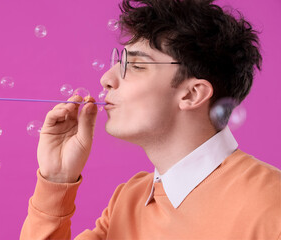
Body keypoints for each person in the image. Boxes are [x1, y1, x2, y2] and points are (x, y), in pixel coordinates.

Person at [20, 0, 281, 239]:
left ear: (192, 93)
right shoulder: (129, 200)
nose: (107, 79)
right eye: (119, 61)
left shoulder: (271, 205)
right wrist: (56, 179)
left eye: (135, 65)